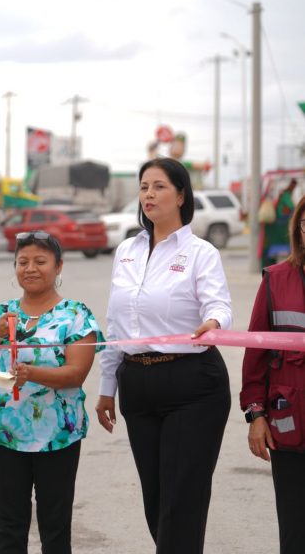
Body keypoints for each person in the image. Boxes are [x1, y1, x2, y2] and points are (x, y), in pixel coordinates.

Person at [95, 157, 233, 553]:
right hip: (137, 384)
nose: (149, 195)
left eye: (158, 186)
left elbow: (219, 305)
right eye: (143, 187)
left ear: (181, 195)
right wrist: (107, 387)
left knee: (181, 502)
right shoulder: (126, 251)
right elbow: (115, 324)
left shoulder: (200, 252)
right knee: (156, 502)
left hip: (192, 384)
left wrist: (215, 322)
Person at [0, 231, 103, 553]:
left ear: (58, 267)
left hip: (58, 435)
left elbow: (76, 374)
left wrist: (32, 374)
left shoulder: (76, 314)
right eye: (23, 261)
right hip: (5, 432)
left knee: (55, 525)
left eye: (40, 261)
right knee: (9, 524)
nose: (31, 268)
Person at [241, 193, 305, 553]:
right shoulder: (276, 280)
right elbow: (255, 354)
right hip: (289, 422)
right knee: (295, 529)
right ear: (298, 230)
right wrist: (256, 415)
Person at [262, 178, 298, 267]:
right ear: (292, 185)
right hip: (281, 221)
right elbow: (291, 207)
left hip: (280, 221)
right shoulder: (286, 194)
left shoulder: (285, 193)